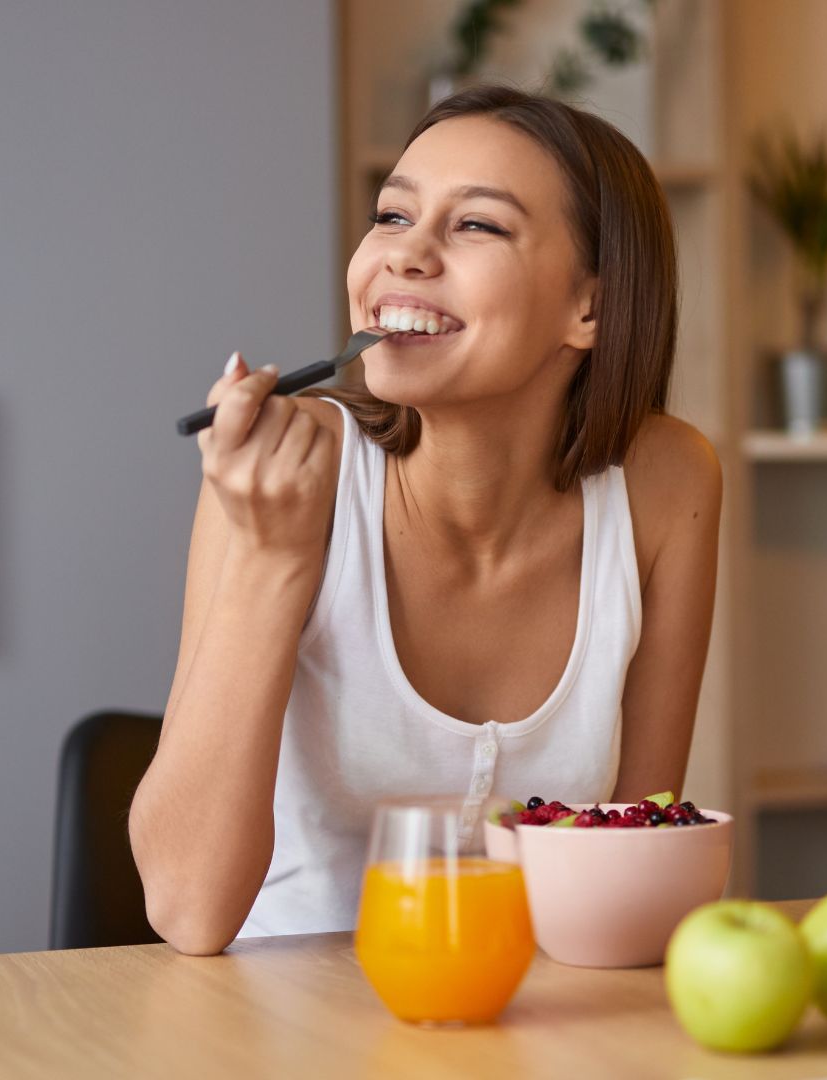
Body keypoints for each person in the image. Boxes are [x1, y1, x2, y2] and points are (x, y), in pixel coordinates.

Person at [129, 84, 722, 956]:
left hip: (527, 1019)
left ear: (589, 307)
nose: (404, 256)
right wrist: (273, 557)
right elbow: (186, 910)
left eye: (475, 225)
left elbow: (624, 874)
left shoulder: (667, 484)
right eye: (392, 215)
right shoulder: (288, 476)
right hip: (273, 1024)